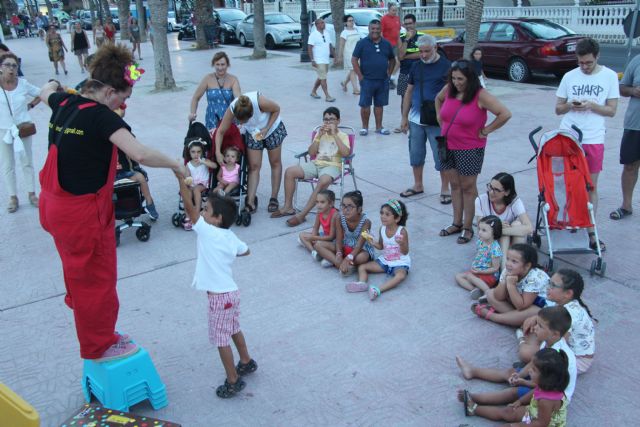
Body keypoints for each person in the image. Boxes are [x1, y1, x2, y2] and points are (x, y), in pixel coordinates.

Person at [38, 44, 185, 361]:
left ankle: (79, 302)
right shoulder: (103, 119)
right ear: (106, 91)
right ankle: (99, 345)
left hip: (53, 206)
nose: (124, 104)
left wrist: (55, 84)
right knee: (97, 282)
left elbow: (45, 88)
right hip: (80, 213)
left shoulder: (63, 101)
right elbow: (140, 154)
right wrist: (176, 163)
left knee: (77, 271)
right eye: (123, 97)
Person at [176, 179, 257, 399]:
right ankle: (246, 361)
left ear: (217, 219)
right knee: (234, 328)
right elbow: (246, 251)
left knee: (221, 340)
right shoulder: (229, 235)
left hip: (219, 299)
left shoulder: (207, 232)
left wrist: (183, 184)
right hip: (232, 293)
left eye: (206, 210)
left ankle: (232, 380)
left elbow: (188, 207)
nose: (201, 212)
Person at [456, 306, 576, 423]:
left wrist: (524, 382)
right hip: (542, 377)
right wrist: (520, 375)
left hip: (551, 390)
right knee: (511, 373)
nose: (534, 328)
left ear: (554, 334)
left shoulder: (557, 356)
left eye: (540, 326)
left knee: (512, 394)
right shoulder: (548, 342)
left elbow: (544, 385)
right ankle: (472, 372)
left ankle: (474, 400)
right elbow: (534, 362)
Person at [435, 60, 511, 244]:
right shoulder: (449, 89)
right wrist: (440, 120)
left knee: (468, 188)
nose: (456, 82)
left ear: (470, 78)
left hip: (470, 148)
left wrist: (486, 130)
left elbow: (505, 113)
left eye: (460, 79)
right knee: (454, 185)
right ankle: (456, 223)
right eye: (453, 78)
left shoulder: (480, 95)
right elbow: (438, 99)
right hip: (447, 145)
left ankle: (468, 227)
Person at [555, 37, 619, 251]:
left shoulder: (609, 76)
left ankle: (591, 230)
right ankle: (569, 219)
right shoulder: (569, 76)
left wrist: (591, 105)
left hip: (593, 138)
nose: (584, 66)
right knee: (567, 183)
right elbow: (558, 108)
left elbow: (611, 110)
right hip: (569, 135)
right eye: (580, 62)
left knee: (590, 186)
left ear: (597, 56)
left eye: (588, 63)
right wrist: (571, 105)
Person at [271, 107, 350, 227]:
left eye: (332, 120)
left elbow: (346, 153)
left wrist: (334, 135)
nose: (328, 122)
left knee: (323, 181)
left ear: (338, 121)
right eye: (326, 120)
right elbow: (312, 153)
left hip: (333, 166)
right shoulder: (320, 133)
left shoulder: (343, 135)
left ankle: (302, 214)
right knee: (290, 172)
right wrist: (318, 136)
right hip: (316, 164)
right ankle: (288, 207)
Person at [399, 34, 451, 203]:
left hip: (437, 120)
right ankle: (418, 185)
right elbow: (408, 92)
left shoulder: (446, 66)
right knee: (415, 153)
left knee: (441, 155)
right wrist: (404, 117)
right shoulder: (416, 66)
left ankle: (445, 188)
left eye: (427, 51)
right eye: (421, 52)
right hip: (416, 119)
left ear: (435, 48)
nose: (423, 55)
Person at [215, 92, 286, 214]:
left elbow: (277, 109)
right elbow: (220, 131)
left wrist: (266, 128)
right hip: (253, 133)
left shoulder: (260, 102)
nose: (241, 123)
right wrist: (217, 151)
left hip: (272, 129)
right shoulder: (233, 108)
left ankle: (273, 198)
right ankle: (251, 202)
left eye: (244, 120)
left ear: (252, 113)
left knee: (275, 163)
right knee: (253, 166)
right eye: (239, 121)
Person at [462, 348, 570, 426]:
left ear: (547, 377)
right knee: (508, 411)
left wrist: (519, 425)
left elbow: (541, 424)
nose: (529, 370)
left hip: (541, 423)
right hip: (535, 413)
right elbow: (535, 392)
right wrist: (520, 401)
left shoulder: (546, 401)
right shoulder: (547, 385)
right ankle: (473, 409)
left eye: (534, 370)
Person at [518, 269, 596, 374]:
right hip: (561, 344)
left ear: (568, 293)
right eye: (549, 283)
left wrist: (528, 368)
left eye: (553, 285)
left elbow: (557, 349)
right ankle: (528, 340)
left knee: (526, 353)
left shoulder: (569, 314)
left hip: (576, 360)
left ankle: (521, 340)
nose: (547, 288)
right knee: (531, 324)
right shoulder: (563, 303)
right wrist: (535, 319)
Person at [0, 52, 41, 213]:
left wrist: (30, 106)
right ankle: (13, 197)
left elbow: (40, 93)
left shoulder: (23, 84)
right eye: (7, 65)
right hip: (3, 130)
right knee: (7, 165)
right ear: (1, 68)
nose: (11, 68)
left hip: (22, 128)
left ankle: (31, 194)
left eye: (14, 66)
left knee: (27, 162)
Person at [347, 199, 410, 301]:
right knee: (362, 267)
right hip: (385, 261)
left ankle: (377, 290)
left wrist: (402, 243)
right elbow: (381, 246)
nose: (383, 216)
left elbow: (405, 252)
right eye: (381, 213)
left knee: (400, 276)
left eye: (387, 214)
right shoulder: (382, 229)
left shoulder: (402, 232)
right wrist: (372, 241)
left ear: (397, 218)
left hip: (400, 263)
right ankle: (362, 283)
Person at [473, 243, 550, 326]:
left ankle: (494, 317)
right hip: (517, 306)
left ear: (527, 266)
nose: (508, 264)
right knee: (490, 294)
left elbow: (521, 306)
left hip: (537, 308)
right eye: (508, 259)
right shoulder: (508, 270)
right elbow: (498, 296)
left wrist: (511, 285)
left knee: (535, 312)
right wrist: (504, 282)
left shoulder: (535, 277)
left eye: (514, 261)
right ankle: (516, 320)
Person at [475, 172, 532, 267]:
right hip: (490, 244)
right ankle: (504, 269)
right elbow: (481, 228)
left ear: (507, 192)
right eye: (490, 187)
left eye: (496, 190)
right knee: (504, 235)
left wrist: (500, 229)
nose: (491, 192)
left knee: (517, 224)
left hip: (509, 241)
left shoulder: (515, 202)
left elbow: (529, 228)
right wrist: (499, 227)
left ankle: (513, 263)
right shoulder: (481, 200)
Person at [352, 19, 395, 136]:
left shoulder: (386, 44)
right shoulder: (361, 43)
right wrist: (360, 76)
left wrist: (389, 74)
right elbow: (354, 59)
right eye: (373, 29)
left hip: (382, 80)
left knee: (379, 105)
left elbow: (392, 59)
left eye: (377, 29)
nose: (375, 31)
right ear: (369, 29)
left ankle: (379, 127)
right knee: (365, 105)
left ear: (381, 30)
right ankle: (364, 128)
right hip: (367, 80)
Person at [610, 52, 640, 221]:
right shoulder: (636, 61)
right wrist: (633, 91)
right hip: (634, 124)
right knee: (629, 166)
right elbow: (622, 88)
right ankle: (626, 206)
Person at [314, 190, 375, 273]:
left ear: (359, 209)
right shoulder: (339, 218)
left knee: (362, 257)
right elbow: (339, 239)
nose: (346, 209)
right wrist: (339, 254)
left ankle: (337, 262)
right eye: (343, 206)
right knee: (318, 244)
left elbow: (359, 245)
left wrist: (349, 257)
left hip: (359, 250)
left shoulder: (366, 222)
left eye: (350, 206)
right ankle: (341, 264)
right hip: (344, 246)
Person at [190, 52, 241, 133]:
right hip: (212, 118)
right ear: (213, 64)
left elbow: (238, 100)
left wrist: (241, 118)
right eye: (217, 64)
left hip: (228, 118)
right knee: (213, 142)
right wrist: (193, 113)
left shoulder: (233, 79)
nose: (220, 67)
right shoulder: (207, 78)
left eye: (222, 64)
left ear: (227, 65)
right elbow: (196, 97)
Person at [455, 215, 502, 300]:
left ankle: (488, 292)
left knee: (469, 276)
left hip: (489, 275)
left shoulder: (495, 248)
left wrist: (481, 271)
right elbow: (479, 256)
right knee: (458, 276)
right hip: (477, 272)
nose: (480, 232)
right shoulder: (480, 242)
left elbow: (495, 268)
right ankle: (476, 290)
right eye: (479, 229)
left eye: (484, 230)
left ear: (494, 232)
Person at [394, 13, 423, 133]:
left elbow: (422, 55)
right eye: (406, 24)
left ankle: (417, 123)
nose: (408, 26)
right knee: (404, 99)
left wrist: (407, 55)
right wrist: (407, 39)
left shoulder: (422, 36)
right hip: (405, 73)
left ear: (415, 23)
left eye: (410, 23)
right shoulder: (401, 37)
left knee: (419, 98)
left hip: (420, 73)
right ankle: (404, 123)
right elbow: (400, 57)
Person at [115, 149, 159, 221]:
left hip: (121, 176)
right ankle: (150, 207)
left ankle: (149, 204)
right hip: (116, 176)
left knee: (140, 177)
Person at [182, 139, 217, 230]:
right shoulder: (188, 164)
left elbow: (214, 166)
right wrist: (187, 180)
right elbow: (187, 175)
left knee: (197, 189)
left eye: (198, 152)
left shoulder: (204, 161)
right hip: (192, 185)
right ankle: (188, 216)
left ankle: (196, 214)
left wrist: (204, 162)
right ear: (189, 153)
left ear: (202, 152)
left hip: (203, 184)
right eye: (193, 152)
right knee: (186, 192)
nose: (196, 154)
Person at [298, 189, 337, 260]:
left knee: (317, 243)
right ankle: (314, 252)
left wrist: (314, 238)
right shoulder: (319, 212)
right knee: (302, 235)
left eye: (322, 202)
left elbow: (331, 237)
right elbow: (315, 228)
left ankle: (322, 252)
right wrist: (313, 237)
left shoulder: (334, 214)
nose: (319, 205)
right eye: (317, 202)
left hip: (334, 241)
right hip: (324, 236)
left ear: (331, 204)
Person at [308, 18, 335, 102]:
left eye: (324, 22)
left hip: (326, 60)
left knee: (321, 77)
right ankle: (327, 96)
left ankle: (313, 91)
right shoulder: (313, 35)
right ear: (317, 25)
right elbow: (309, 47)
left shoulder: (327, 33)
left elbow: (330, 45)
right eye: (322, 23)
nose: (324, 24)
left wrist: (335, 56)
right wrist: (312, 60)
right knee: (323, 78)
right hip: (318, 60)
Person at [338, 15, 362, 95]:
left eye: (352, 20)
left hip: (357, 54)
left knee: (354, 70)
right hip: (349, 54)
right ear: (346, 22)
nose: (351, 22)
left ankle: (344, 83)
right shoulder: (344, 33)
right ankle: (355, 89)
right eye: (349, 21)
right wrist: (340, 56)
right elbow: (341, 45)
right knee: (352, 70)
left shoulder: (356, 30)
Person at [380, 3, 401, 90]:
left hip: (395, 44)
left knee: (398, 62)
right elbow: (381, 33)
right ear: (388, 10)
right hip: (387, 44)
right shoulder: (384, 19)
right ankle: (388, 80)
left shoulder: (397, 18)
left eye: (396, 10)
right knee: (390, 63)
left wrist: (400, 44)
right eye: (393, 10)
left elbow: (398, 33)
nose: (395, 12)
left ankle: (391, 78)